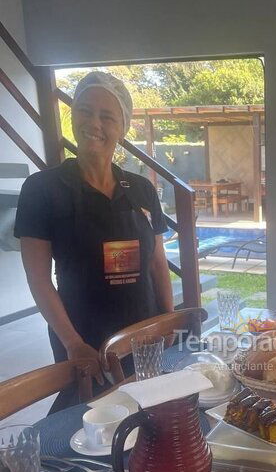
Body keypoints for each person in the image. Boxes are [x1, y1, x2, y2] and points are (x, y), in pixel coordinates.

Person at [15, 71, 173, 410]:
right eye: (85, 111)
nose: (94, 123)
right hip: (84, 336)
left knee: (148, 420)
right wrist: (73, 344)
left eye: (107, 116)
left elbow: (158, 262)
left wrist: (168, 321)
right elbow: (38, 278)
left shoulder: (141, 188)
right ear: (72, 116)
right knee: (89, 426)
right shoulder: (43, 190)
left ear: (122, 126)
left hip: (143, 334)